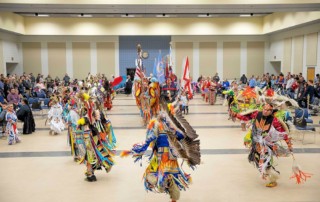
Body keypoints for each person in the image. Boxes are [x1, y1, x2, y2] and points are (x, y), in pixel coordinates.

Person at [121, 109, 200, 202]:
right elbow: (150, 139)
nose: (163, 115)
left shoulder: (169, 125)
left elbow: (181, 136)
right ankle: (167, 187)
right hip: (162, 156)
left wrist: (174, 129)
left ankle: (172, 194)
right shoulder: (156, 124)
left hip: (169, 156)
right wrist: (139, 148)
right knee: (161, 176)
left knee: (170, 177)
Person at [234, 103, 293, 187]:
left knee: (266, 161)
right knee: (256, 158)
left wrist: (289, 145)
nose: (265, 111)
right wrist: (237, 115)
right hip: (256, 143)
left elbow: (283, 134)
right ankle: (266, 172)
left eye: (268, 110)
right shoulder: (257, 114)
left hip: (266, 145)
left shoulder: (274, 120)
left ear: (271, 111)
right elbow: (246, 117)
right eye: (264, 109)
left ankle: (274, 178)